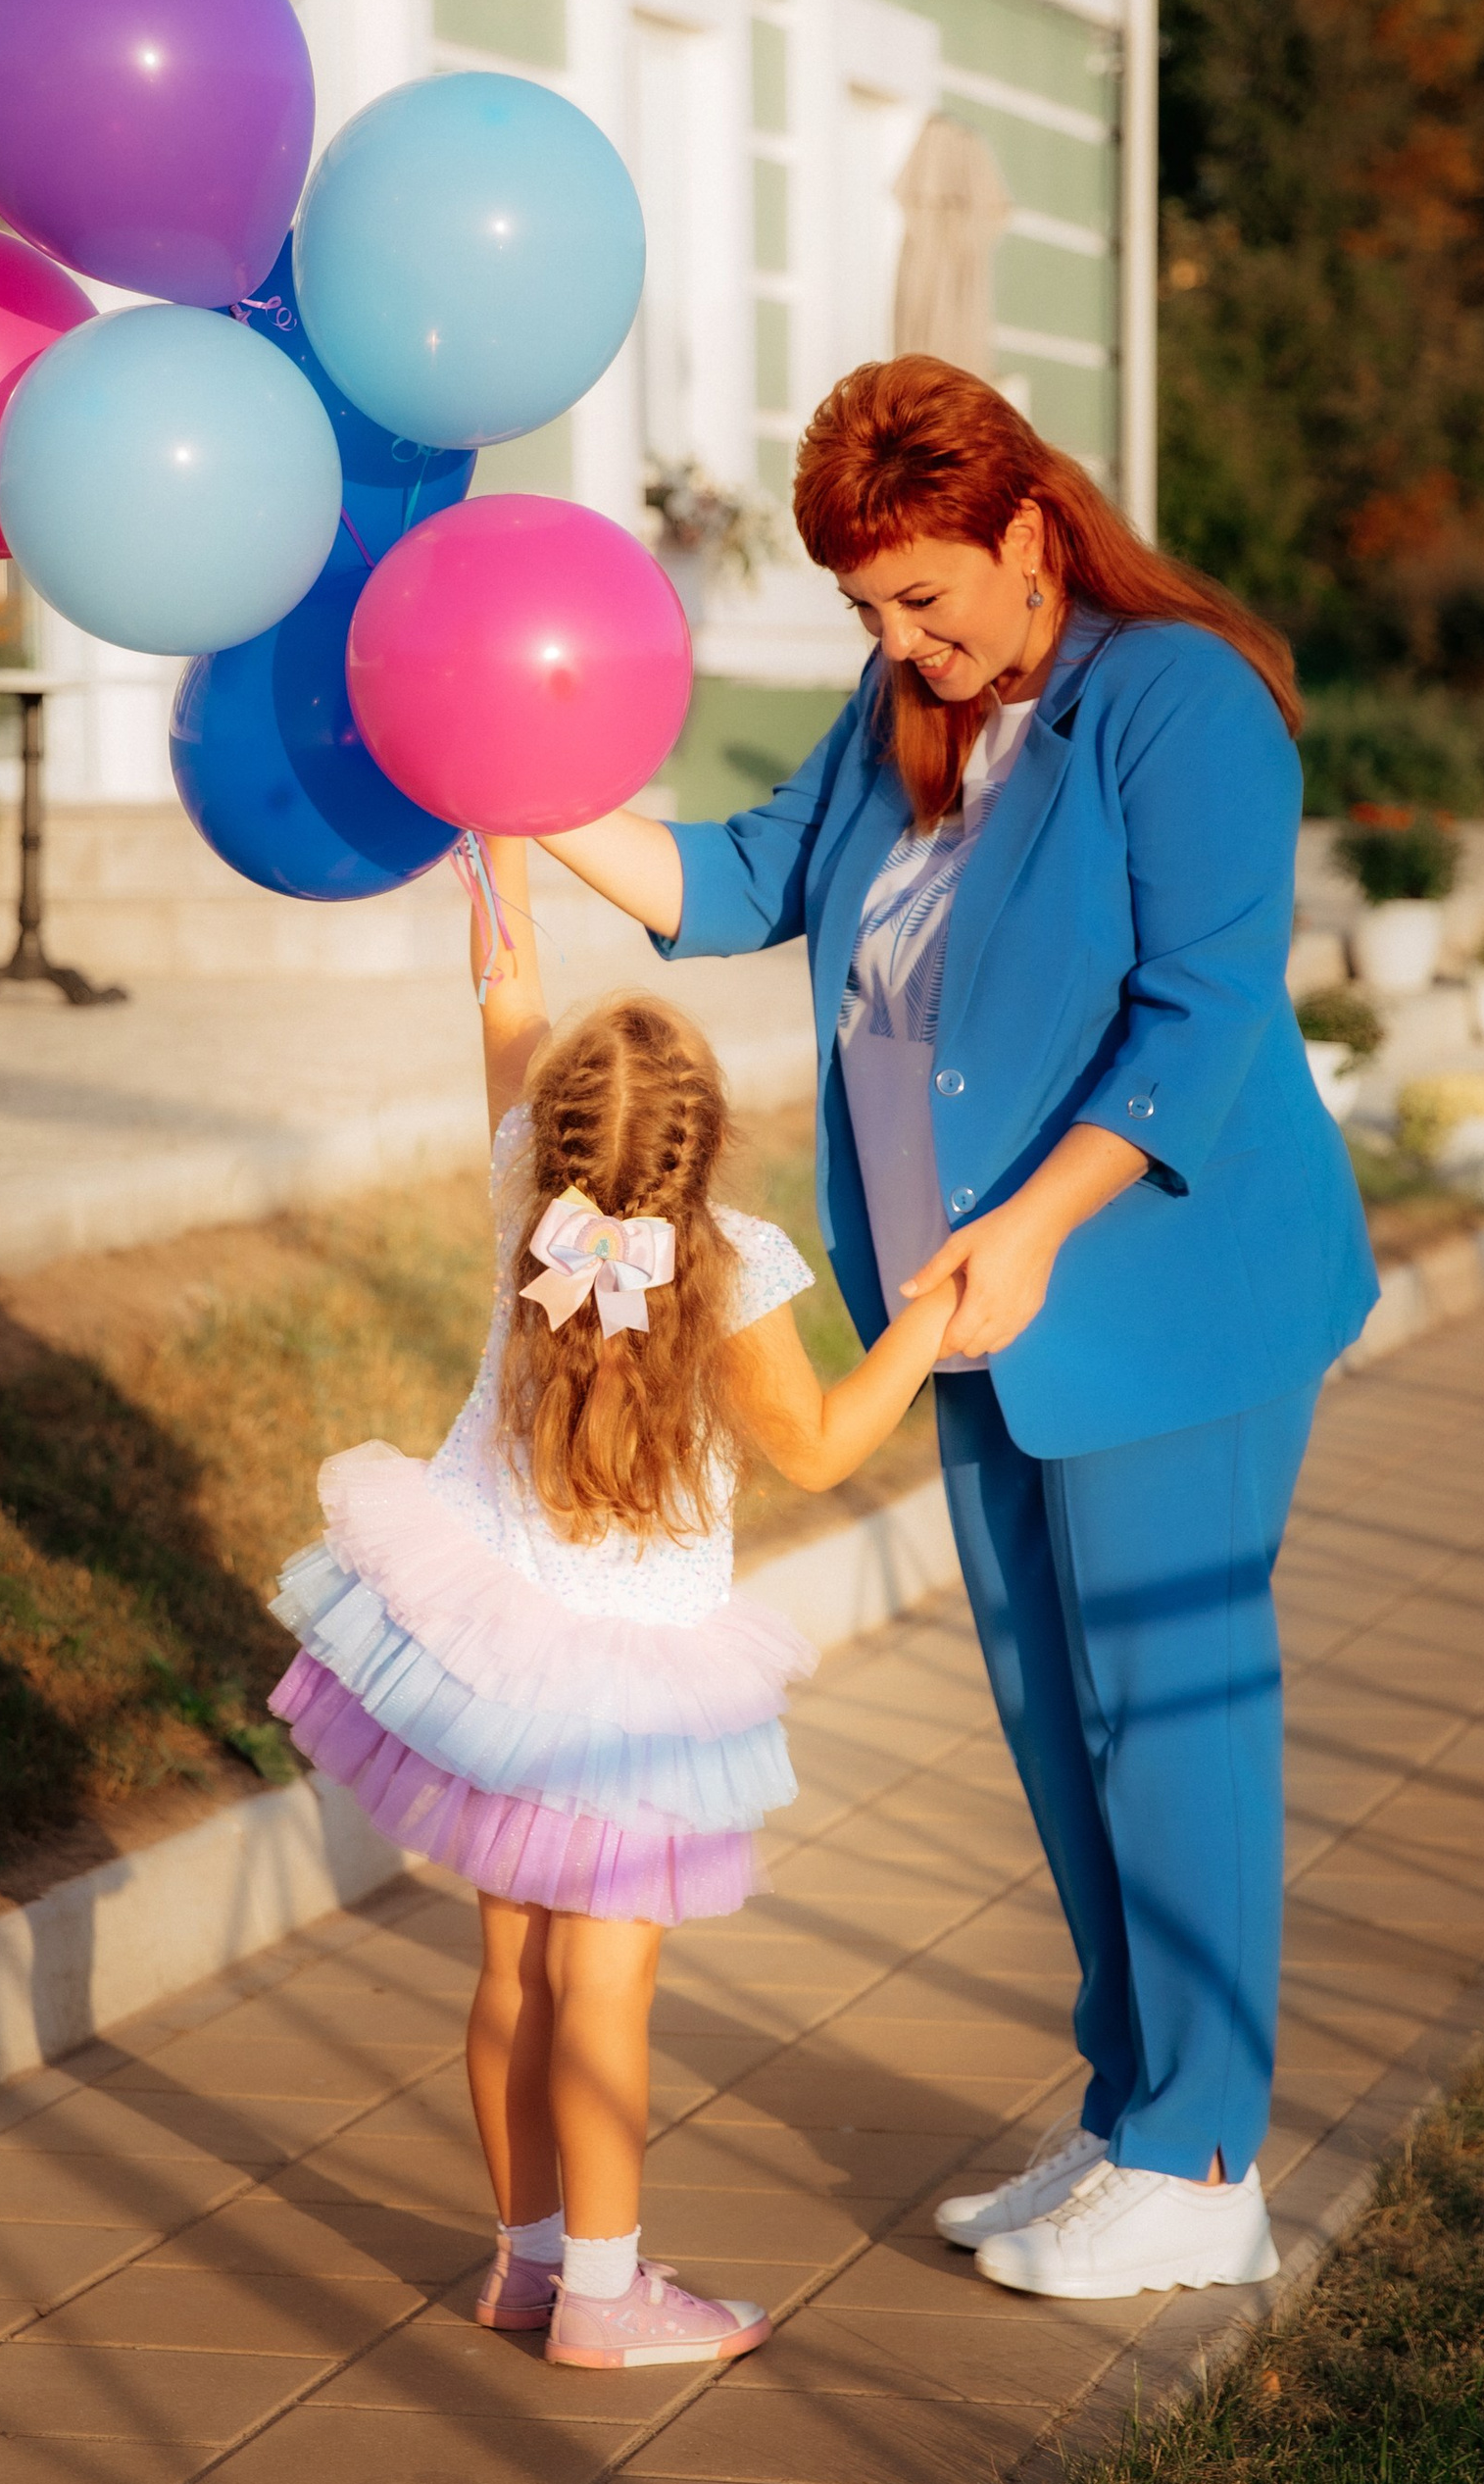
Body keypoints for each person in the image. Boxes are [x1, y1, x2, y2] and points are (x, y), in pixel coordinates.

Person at [539, 358, 1378, 2304]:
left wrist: (1033, 1221)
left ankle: (1205, 2151)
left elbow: (1202, 1010)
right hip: (968, 1304)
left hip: (1152, 1293)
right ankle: (1125, 2116)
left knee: (1164, 1712)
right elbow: (744, 876)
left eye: (924, 595)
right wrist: (531, 791)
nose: (898, 640)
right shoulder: (909, 708)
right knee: (1047, 1714)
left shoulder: (1169, 698)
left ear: (1026, 533)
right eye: (862, 609)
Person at [268, 831, 957, 2369]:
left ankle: (522, 2261)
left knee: (514, 1964)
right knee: (609, 1988)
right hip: (638, 1687)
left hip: (488, 1648)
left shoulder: (529, 1189)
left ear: (567, 1134)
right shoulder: (733, 1267)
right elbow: (825, 1446)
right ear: (706, 1152)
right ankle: (606, 2287)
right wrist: (924, 1325)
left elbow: (505, 981)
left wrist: (492, 821)